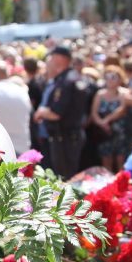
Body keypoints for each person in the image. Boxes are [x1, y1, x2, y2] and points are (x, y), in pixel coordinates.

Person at [33, 46, 92, 179]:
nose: (49, 62)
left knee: (64, 178)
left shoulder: (67, 81)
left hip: (65, 137)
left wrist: (41, 112)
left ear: (59, 60)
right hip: (63, 136)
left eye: (52, 58)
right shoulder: (64, 78)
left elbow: (56, 113)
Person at [90, 65, 128, 172]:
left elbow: (122, 109)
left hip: (120, 133)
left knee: (121, 161)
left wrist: (107, 120)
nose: (110, 80)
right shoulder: (100, 94)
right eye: (107, 77)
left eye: (113, 77)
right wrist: (101, 123)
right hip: (105, 133)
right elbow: (94, 113)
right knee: (106, 161)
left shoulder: (124, 93)